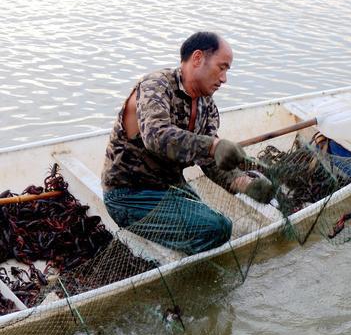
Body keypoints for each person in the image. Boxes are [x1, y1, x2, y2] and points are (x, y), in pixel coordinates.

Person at [101, 32, 272, 254]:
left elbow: (210, 162)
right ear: (198, 58)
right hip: (128, 196)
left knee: (212, 222)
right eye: (222, 67)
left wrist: (244, 184)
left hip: (170, 187)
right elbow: (157, 136)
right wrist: (213, 145)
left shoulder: (207, 106)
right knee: (218, 228)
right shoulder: (156, 86)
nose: (224, 79)